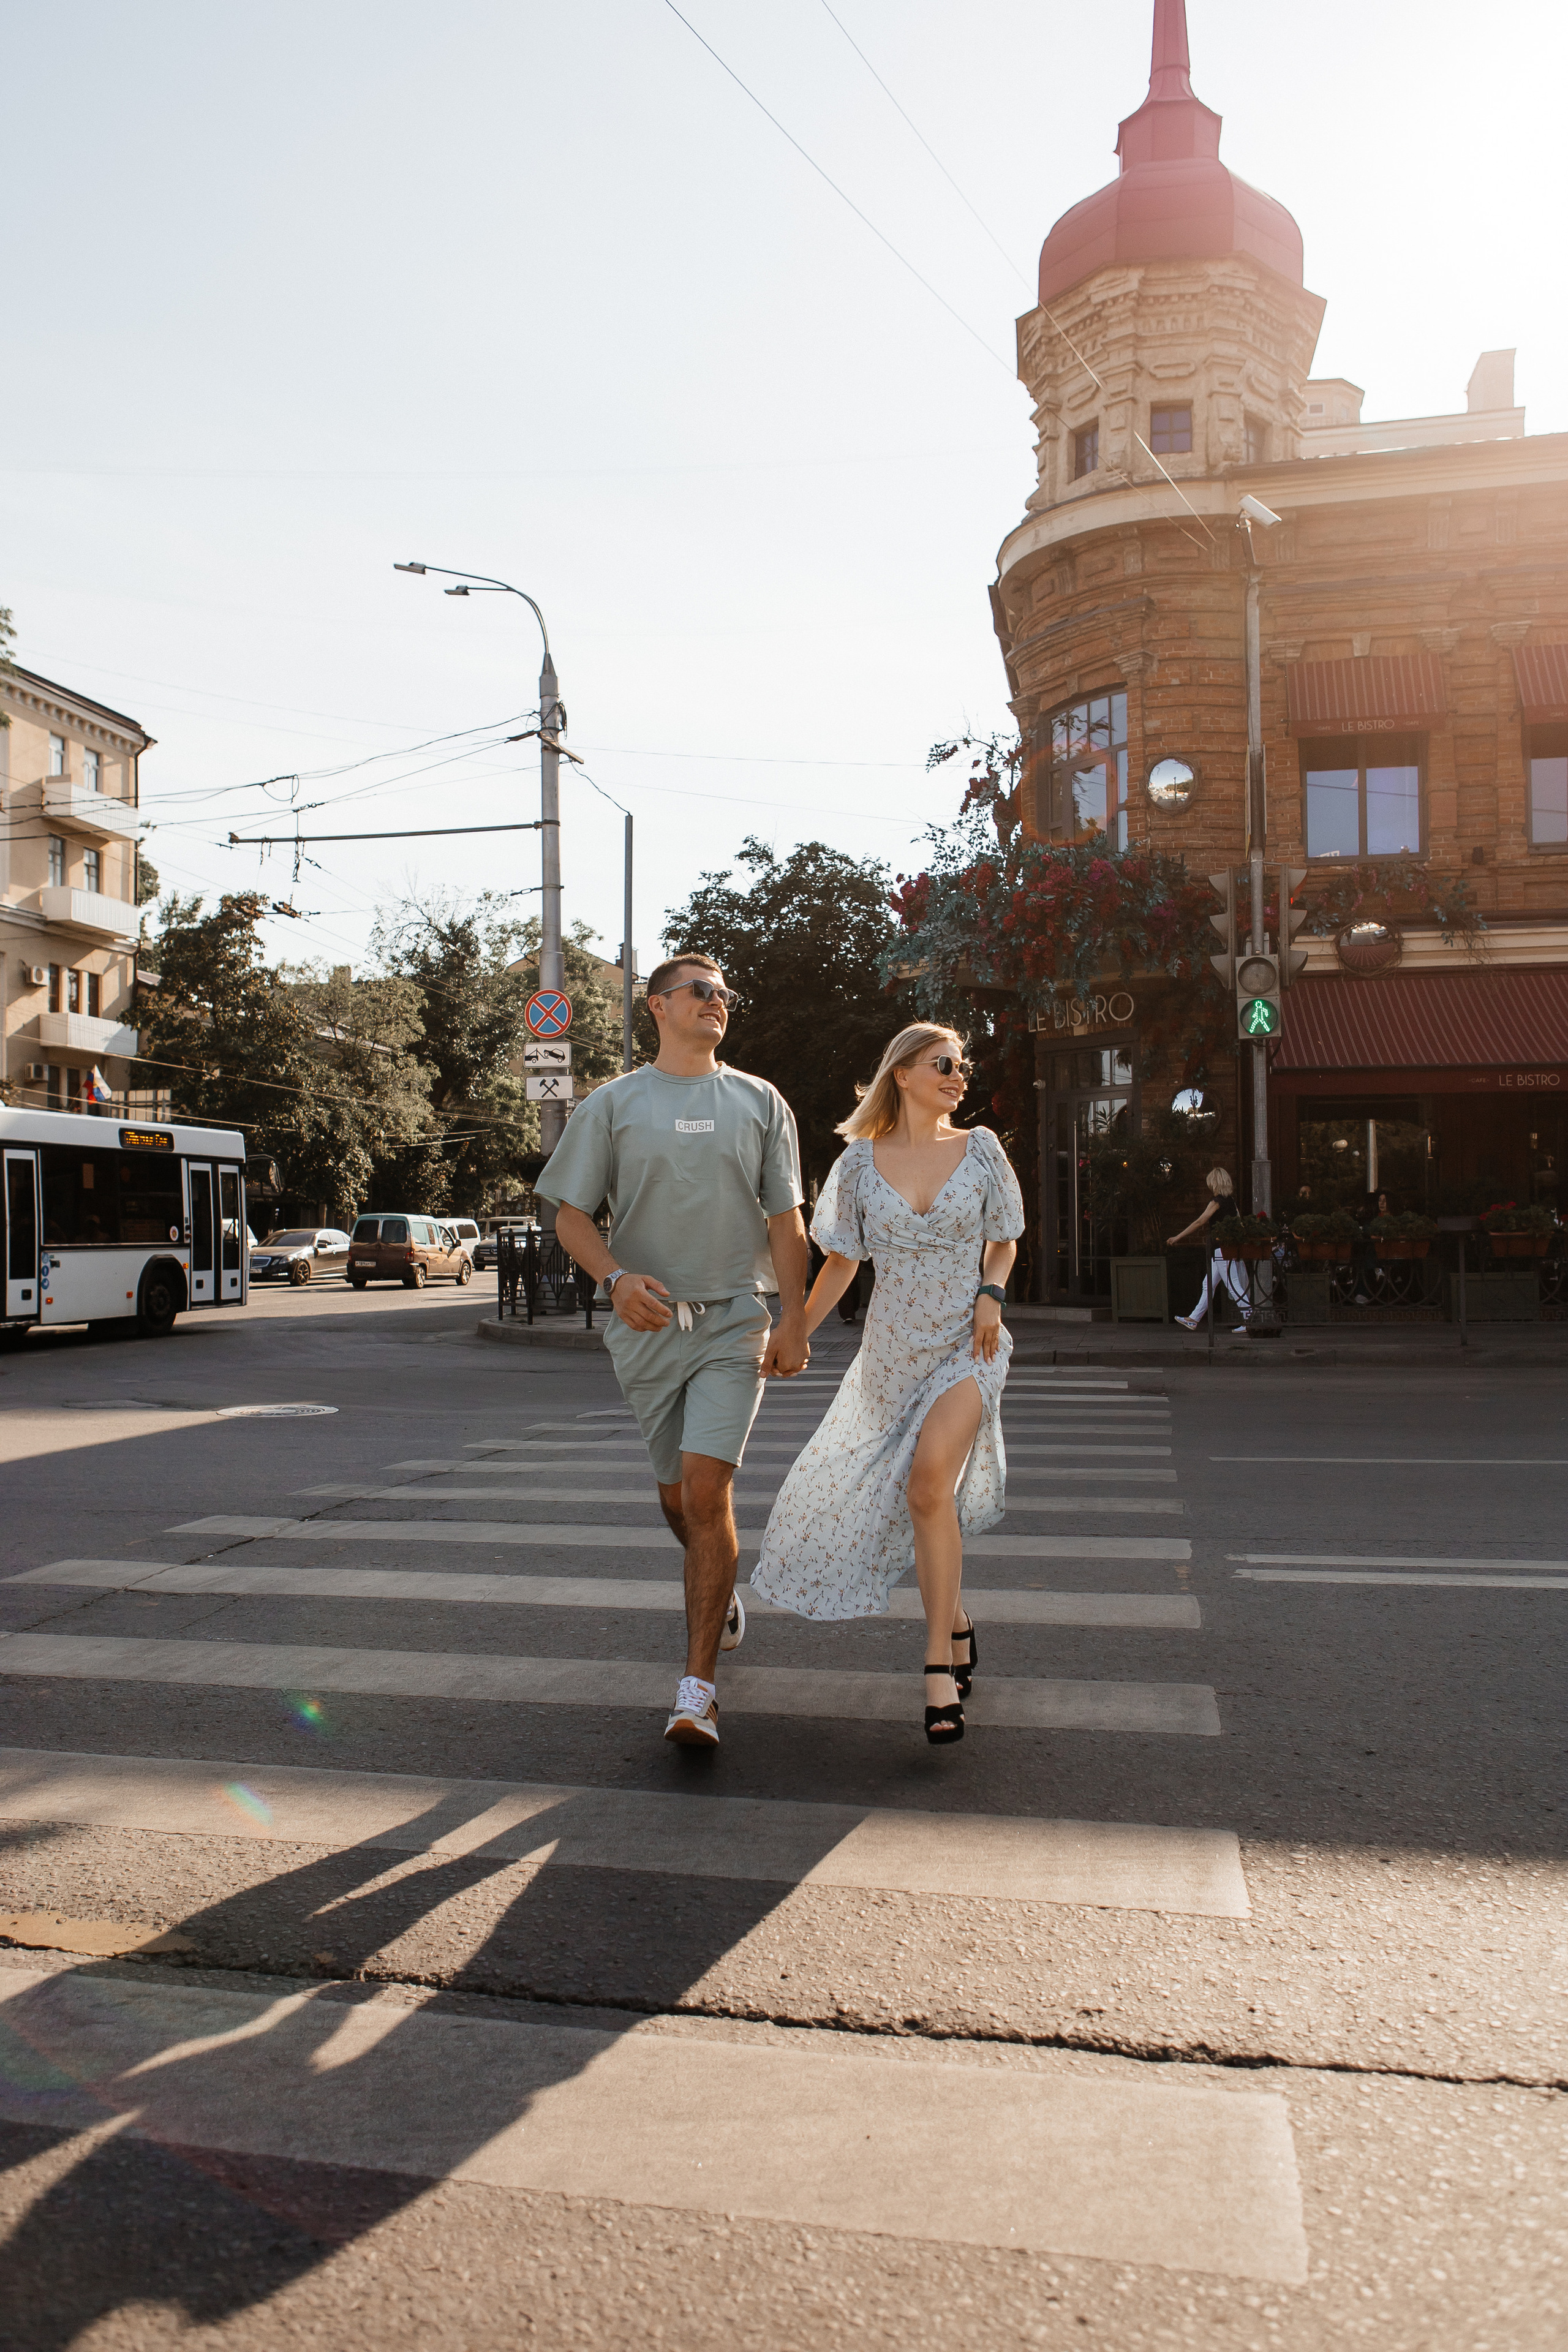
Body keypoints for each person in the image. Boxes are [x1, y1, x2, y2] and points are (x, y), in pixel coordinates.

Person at [540, 954, 810, 1749]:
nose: (717, 1003)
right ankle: (715, 1589)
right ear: (658, 1007)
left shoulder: (759, 1101)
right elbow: (572, 1218)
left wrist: (794, 1318)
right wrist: (614, 1279)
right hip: (647, 1325)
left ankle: (697, 1693)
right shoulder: (614, 1105)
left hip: (733, 1320)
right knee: (676, 1501)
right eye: (702, 992)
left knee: (705, 1491)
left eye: (726, 993)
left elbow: (786, 1221)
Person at [750, 1023, 1025, 1746]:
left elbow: (1004, 1237)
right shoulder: (859, 1165)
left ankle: (936, 1668)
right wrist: (796, 1332)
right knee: (913, 1498)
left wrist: (991, 1293)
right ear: (901, 1074)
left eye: (962, 1065)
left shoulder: (983, 1149)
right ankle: (955, 1618)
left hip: (970, 1344)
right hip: (891, 1355)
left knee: (929, 1485)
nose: (958, 1074)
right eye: (943, 1064)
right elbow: (840, 1264)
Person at [1167, 1167, 1253, 1332]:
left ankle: (1251, 1320)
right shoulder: (1231, 1201)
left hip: (1221, 1250)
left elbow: (1200, 1222)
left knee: (1234, 1286)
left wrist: (1178, 1237)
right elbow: (1239, 1222)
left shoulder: (1217, 1202)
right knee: (1208, 1285)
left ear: (1214, 1183)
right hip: (1226, 1249)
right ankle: (1194, 1319)